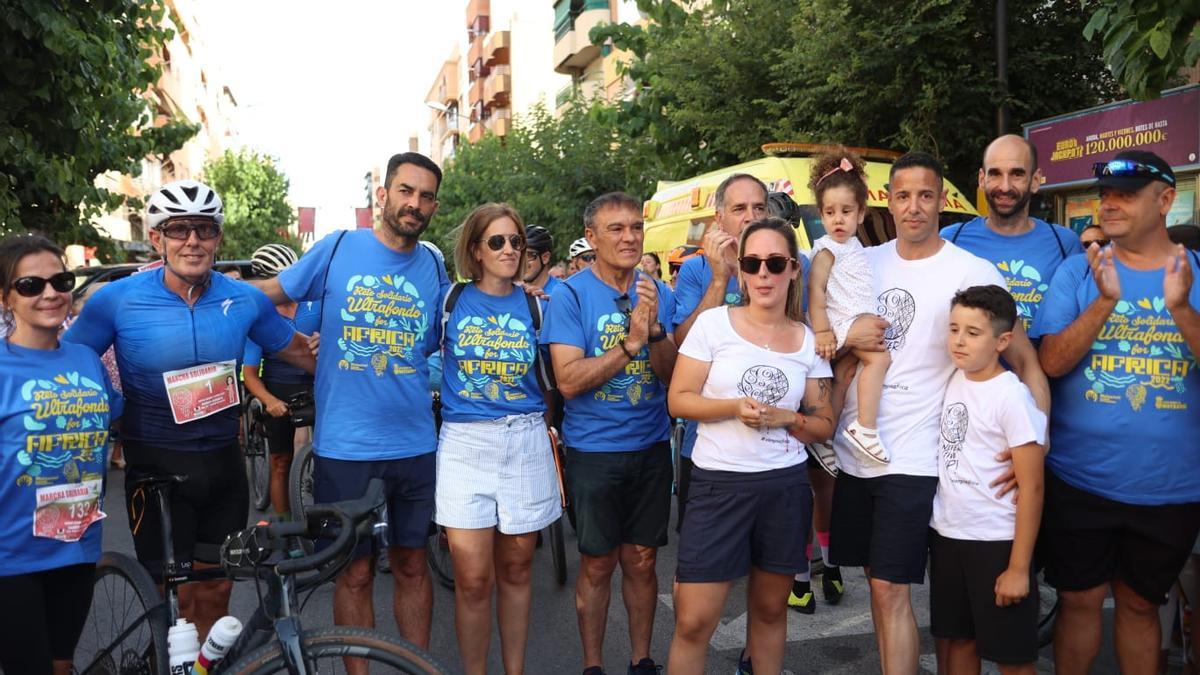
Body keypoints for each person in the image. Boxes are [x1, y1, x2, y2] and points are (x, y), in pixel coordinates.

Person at [829, 152, 1049, 675]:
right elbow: (831, 346)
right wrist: (843, 339)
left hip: (916, 455)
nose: (914, 207)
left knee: (888, 588)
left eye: (925, 195)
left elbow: (1025, 361)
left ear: (941, 202)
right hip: (855, 452)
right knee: (877, 584)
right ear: (888, 200)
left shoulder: (970, 270)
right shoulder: (861, 262)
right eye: (902, 195)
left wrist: (1035, 449)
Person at [64, 180, 314, 639]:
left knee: (216, 590)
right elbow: (67, 361)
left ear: (218, 238)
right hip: (156, 463)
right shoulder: (116, 300)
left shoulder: (246, 299)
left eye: (204, 230)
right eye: (179, 230)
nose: (192, 241)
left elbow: (299, 352)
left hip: (223, 463)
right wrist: (111, 404)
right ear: (157, 238)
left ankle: (204, 667)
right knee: (168, 597)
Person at [255, 152, 450, 651]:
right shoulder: (338, 247)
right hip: (345, 446)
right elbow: (271, 294)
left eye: (426, 196)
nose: (415, 204)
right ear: (382, 195)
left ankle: (417, 667)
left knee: (410, 565)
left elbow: (430, 342)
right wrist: (208, 290)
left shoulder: (432, 263)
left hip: (414, 442)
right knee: (355, 572)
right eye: (406, 191)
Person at [1031, 150, 1200, 675]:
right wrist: (1103, 302)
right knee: (1079, 601)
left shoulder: (1194, 272)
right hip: (1080, 479)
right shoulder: (1077, 271)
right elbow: (1052, 362)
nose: (1109, 204)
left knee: (1140, 605)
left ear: (1166, 200)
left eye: (1125, 194)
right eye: (1104, 194)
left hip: (1170, 484)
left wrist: (1180, 309)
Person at [667, 217, 835, 675]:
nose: (763, 273)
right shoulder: (713, 325)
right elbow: (678, 399)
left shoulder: (807, 340)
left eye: (775, 263)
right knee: (694, 622)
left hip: (783, 490)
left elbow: (824, 424)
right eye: (753, 262)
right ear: (740, 269)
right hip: (718, 487)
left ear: (794, 270)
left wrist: (790, 418)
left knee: (769, 613)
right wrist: (730, 407)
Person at [542, 192, 677, 675]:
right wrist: (630, 343)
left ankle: (642, 661)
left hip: (651, 447)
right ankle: (594, 665)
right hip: (593, 452)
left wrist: (656, 329)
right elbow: (569, 381)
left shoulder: (655, 289)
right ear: (593, 237)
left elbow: (669, 374)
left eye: (635, 227)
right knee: (598, 564)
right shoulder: (570, 295)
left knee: (642, 560)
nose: (629, 237)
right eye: (615, 229)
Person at [437, 203, 562, 675]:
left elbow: (555, 371)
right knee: (471, 580)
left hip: (525, 440)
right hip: (465, 445)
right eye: (497, 242)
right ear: (476, 250)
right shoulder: (449, 301)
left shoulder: (536, 303)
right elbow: (405, 345)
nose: (510, 250)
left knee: (517, 570)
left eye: (516, 242)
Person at [0, 235, 123, 675]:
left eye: (60, 280)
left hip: (76, 546)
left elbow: (111, 414)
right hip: (10, 555)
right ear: (6, 297)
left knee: (60, 665)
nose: (50, 293)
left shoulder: (86, 358)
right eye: (31, 284)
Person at [930, 285, 1046, 675]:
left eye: (973, 333)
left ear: (1003, 341)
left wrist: (1018, 567)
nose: (959, 341)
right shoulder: (953, 379)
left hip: (996, 542)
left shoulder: (1012, 397)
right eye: (953, 329)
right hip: (948, 535)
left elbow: (1032, 486)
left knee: (1012, 656)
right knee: (960, 641)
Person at [940, 135, 1083, 332]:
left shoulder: (1065, 243)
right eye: (995, 174)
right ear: (982, 180)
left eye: (1017, 174)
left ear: (1035, 180)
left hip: (1041, 362)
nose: (1005, 186)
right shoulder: (950, 240)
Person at [806, 150, 893, 463]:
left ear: (861, 213)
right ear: (821, 214)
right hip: (840, 322)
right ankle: (865, 428)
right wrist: (822, 331)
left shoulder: (856, 246)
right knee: (879, 360)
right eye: (830, 212)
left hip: (853, 318)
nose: (837, 219)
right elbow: (815, 292)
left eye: (846, 211)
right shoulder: (826, 250)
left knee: (844, 374)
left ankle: (823, 435)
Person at [241, 243, 318, 519]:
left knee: (334, 456)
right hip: (278, 391)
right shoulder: (260, 316)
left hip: (317, 384)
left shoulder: (315, 304)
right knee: (280, 461)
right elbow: (250, 374)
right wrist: (269, 401)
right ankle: (286, 530)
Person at [524, 224, 563, 299]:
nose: (522, 262)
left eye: (529, 255)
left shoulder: (564, 292)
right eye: (519, 256)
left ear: (545, 258)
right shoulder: (512, 293)